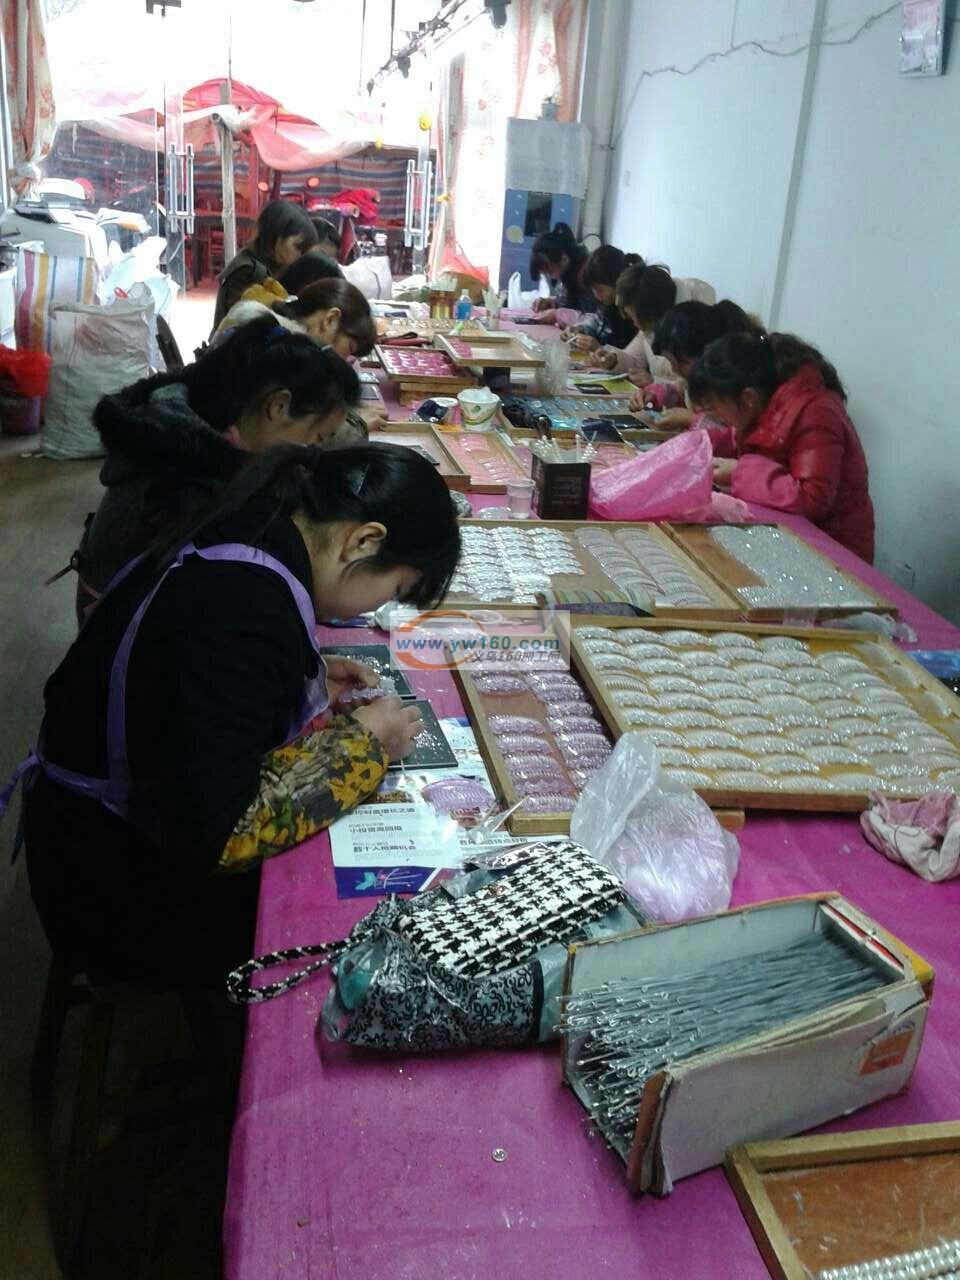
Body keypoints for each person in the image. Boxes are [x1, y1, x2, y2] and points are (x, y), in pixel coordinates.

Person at [19, 443, 461, 986]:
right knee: (358, 931)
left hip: (93, 828)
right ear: (363, 541)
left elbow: (192, 683)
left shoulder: (260, 522)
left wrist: (299, 673)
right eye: (394, 590)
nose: (377, 607)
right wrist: (365, 746)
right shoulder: (242, 605)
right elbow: (220, 832)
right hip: (110, 884)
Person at [74, 317, 361, 618]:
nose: (312, 451)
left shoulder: (194, 423)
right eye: (318, 437)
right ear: (279, 406)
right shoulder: (188, 472)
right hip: (122, 623)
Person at [687, 332, 875, 561]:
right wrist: (697, 445)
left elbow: (813, 498)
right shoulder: (763, 402)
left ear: (747, 398)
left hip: (836, 553)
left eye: (714, 408)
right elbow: (744, 439)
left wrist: (738, 472)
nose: (715, 417)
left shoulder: (815, 412)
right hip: (788, 534)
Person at [633, 299, 762, 427]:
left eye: (682, 362)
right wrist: (653, 397)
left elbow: (733, 433)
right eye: (671, 362)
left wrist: (691, 419)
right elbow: (679, 390)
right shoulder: (695, 381)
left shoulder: (732, 389)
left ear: (706, 353)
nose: (674, 370)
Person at [591, 264, 716, 381]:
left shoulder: (698, 326)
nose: (634, 323)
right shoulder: (652, 323)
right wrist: (613, 359)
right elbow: (636, 361)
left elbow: (697, 385)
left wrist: (655, 383)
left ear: (650, 313)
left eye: (633, 317)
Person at [212, 201, 318, 331]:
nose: (300, 256)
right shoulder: (248, 271)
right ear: (275, 237)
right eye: (298, 247)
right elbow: (241, 324)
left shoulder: (273, 265)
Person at [565, 245, 641, 352]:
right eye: (593, 290)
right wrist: (580, 329)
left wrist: (601, 349)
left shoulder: (632, 313)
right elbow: (598, 319)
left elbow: (633, 356)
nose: (596, 295)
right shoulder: (607, 303)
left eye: (600, 290)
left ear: (617, 283)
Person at [529, 222, 595, 315]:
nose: (551, 277)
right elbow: (567, 302)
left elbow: (592, 316)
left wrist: (557, 315)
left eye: (550, 272)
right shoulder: (567, 272)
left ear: (564, 258)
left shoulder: (585, 274)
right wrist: (551, 303)